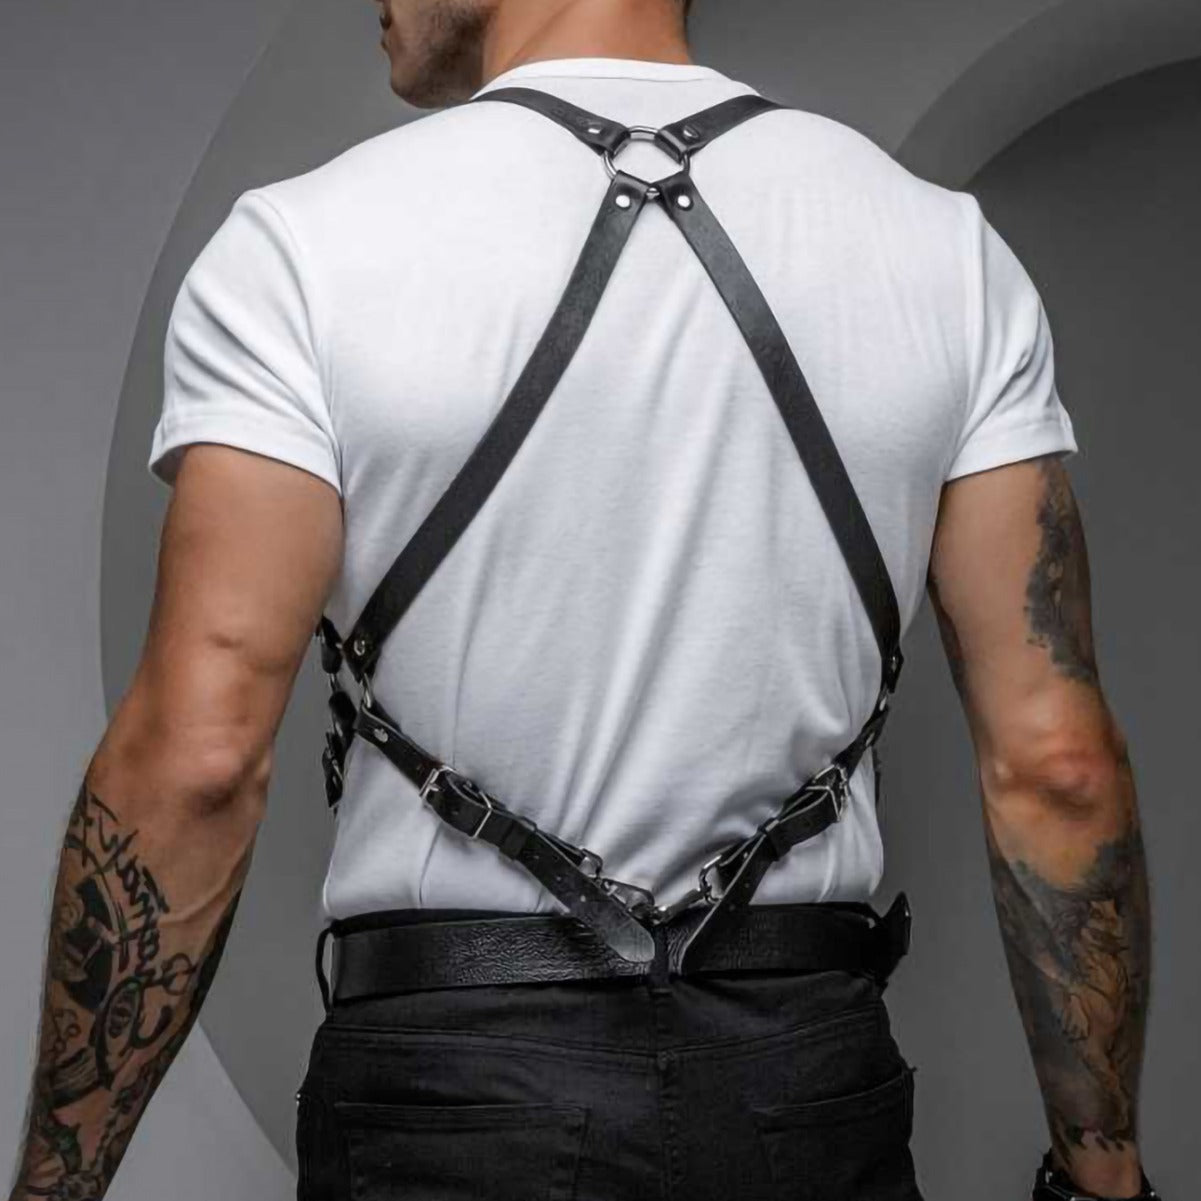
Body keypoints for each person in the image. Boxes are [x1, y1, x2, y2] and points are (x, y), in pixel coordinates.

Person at [7, 0, 1161, 1198]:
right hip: (806, 1088)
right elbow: (1057, 767)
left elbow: (196, 763)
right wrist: (1105, 1180)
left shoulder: (303, 247)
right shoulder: (944, 255)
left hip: (450, 1102)